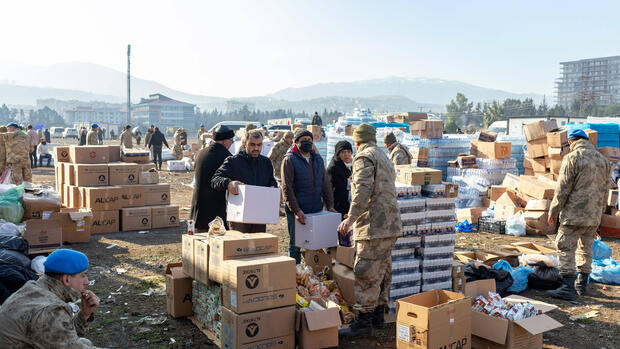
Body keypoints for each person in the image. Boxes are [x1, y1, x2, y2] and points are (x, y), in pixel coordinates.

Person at [336, 124, 402, 337]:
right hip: (390, 224)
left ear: (357, 142)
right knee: (383, 270)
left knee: (365, 271)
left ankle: (363, 323)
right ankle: (378, 316)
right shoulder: (384, 156)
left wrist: (350, 219)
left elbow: (363, 192)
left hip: (373, 225)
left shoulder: (364, 157)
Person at [547, 129, 610, 300]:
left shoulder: (573, 158)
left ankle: (567, 287)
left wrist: (553, 211)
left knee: (565, 246)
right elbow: (606, 191)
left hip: (574, 213)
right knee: (586, 248)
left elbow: (562, 189)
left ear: (571, 142)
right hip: (593, 216)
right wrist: (600, 212)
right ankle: (582, 285)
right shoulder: (603, 161)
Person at [0, 249, 100, 348]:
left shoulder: (33, 288)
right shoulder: (49, 310)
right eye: (83, 275)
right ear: (66, 279)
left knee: (84, 342)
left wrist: (84, 314)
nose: (87, 282)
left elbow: (61, 334)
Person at [281, 128, 335, 263]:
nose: (307, 142)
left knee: (316, 241)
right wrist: (296, 210)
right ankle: (294, 274)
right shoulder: (289, 160)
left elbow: (325, 184)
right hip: (297, 210)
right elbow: (287, 188)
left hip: (315, 208)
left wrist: (330, 206)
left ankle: (314, 271)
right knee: (296, 244)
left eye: (309, 140)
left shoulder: (317, 159)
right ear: (296, 143)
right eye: (303, 140)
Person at [212, 130, 278, 233]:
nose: (256, 148)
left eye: (259, 145)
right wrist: (228, 183)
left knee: (257, 246)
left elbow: (271, 181)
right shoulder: (233, 161)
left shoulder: (266, 162)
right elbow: (215, 179)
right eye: (252, 145)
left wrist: (273, 189)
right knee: (239, 246)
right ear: (245, 143)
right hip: (239, 217)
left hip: (259, 216)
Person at [190, 126, 235, 232]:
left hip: (199, 208)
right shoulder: (227, 157)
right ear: (224, 141)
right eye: (231, 141)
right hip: (216, 211)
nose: (231, 144)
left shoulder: (201, 153)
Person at [327, 140, 353, 218]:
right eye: (343, 152)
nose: (346, 155)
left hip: (348, 208)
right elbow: (329, 192)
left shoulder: (351, 166)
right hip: (337, 210)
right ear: (338, 154)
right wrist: (341, 212)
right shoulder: (333, 168)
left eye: (348, 152)